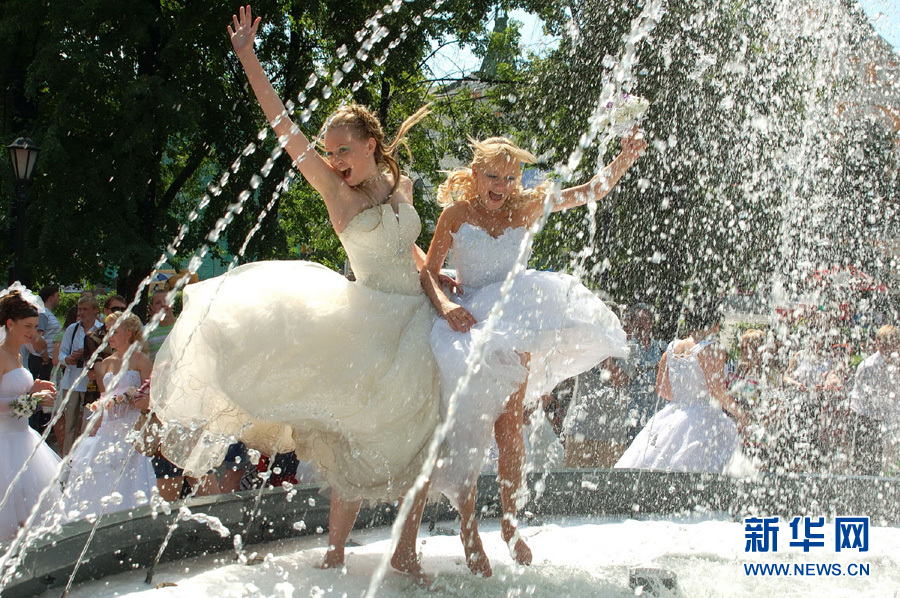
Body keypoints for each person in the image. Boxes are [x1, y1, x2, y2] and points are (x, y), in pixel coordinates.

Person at [148, 6, 442, 582]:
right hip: (366, 324)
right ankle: (336, 551)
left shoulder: (400, 183)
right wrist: (249, 58)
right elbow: (287, 131)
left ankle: (404, 549)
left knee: (421, 436)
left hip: (414, 319)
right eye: (330, 152)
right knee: (349, 432)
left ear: (371, 144)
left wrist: (437, 277)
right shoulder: (336, 191)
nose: (335, 161)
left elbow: (410, 249)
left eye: (344, 151)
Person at [418, 134, 644, 576]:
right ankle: (468, 532)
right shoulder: (456, 214)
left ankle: (510, 523)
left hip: (513, 321)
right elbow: (428, 272)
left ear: (517, 179)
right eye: (491, 176)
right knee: (469, 431)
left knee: (510, 426)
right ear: (475, 175)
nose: (500, 185)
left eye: (509, 177)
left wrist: (624, 158)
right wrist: (446, 306)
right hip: (467, 326)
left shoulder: (527, 206)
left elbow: (591, 191)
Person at [615, 298, 749, 473]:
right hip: (703, 419)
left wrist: (683, 399)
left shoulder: (672, 348)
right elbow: (717, 391)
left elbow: (661, 389)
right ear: (716, 324)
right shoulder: (711, 349)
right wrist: (741, 414)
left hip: (672, 414)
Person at [60, 312, 156, 521]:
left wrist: (134, 398)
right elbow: (105, 397)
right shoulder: (106, 364)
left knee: (131, 474)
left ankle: (130, 518)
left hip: (131, 426)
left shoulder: (141, 360)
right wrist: (97, 416)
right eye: (107, 331)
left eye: (114, 331)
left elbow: (152, 394)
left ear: (129, 333)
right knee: (99, 470)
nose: (109, 336)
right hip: (109, 426)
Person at [0, 287, 61, 543]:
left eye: (36, 327)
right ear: (9, 324)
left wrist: (34, 386)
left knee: (32, 515)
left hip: (24, 439)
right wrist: (28, 400)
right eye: (27, 326)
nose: (32, 333)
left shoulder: (17, 353)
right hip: (5, 442)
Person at [849, 324, 900, 475]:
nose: (891, 348)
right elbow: (862, 400)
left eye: (894, 344)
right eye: (887, 344)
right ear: (878, 343)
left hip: (892, 420)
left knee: (892, 467)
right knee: (867, 467)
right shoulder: (868, 367)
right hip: (869, 419)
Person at [57, 295, 103, 455]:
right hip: (71, 381)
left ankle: (83, 457)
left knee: (88, 423)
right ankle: (67, 457)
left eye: (85, 309)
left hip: (91, 382)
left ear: (95, 310)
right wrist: (68, 358)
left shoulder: (101, 329)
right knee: (70, 423)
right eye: (80, 309)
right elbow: (61, 354)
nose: (82, 312)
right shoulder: (73, 329)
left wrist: (89, 352)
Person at [25, 286, 62, 435]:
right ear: (50, 297)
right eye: (57, 295)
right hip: (41, 360)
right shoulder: (43, 314)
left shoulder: (46, 314)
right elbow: (38, 339)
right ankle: (35, 425)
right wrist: (45, 355)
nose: (59, 298)